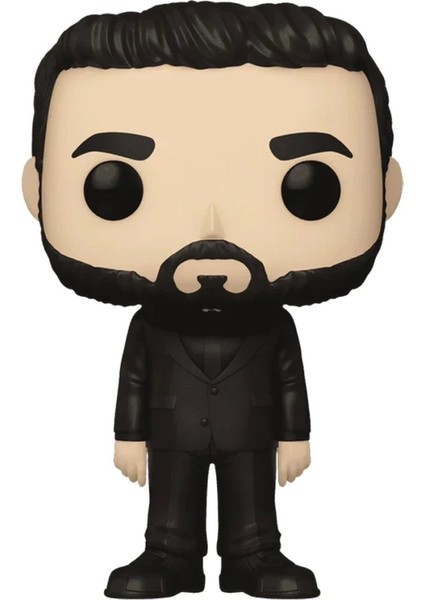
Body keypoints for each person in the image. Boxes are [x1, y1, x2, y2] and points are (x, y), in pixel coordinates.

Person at [22, 2, 402, 598]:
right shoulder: (151, 325)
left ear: (387, 189)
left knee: (253, 504)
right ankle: (169, 554)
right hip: (172, 430)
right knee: (170, 504)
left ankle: (254, 555)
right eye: (113, 186)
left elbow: (291, 380)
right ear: (37, 190)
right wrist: (127, 436)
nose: (212, 227)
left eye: (310, 187)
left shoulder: (273, 325)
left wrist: (296, 436)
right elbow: (134, 380)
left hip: (251, 429)